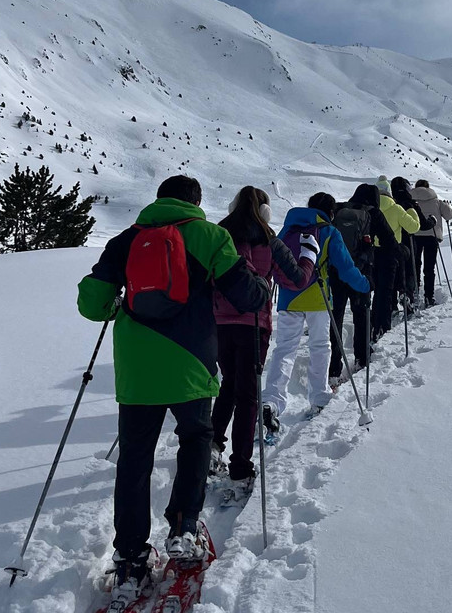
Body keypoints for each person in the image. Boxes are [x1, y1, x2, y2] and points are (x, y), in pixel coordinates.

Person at [77, 175, 270, 603]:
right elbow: (245, 294)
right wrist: (260, 287)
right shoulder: (210, 236)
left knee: (135, 458)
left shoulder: (127, 239)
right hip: (191, 363)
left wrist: (116, 303)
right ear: (196, 202)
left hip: (137, 368)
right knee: (196, 438)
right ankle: (184, 527)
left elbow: (92, 304)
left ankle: (129, 555)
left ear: (159, 199)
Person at [211, 186, 318, 499]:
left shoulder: (220, 236)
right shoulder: (268, 239)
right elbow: (296, 279)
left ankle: (213, 447)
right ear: (266, 212)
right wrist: (309, 255)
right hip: (255, 325)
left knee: (228, 385)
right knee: (247, 395)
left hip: (218, 324)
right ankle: (240, 467)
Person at [261, 192, 369, 429]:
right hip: (318, 298)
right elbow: (345, 268)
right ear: (329, 212)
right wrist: (364, 284)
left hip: (289, 299)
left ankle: (271, 400)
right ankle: (319, 397)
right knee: (320, 346)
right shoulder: (329, 232)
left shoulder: (288, 229)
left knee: (285, 349)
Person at [328, 183, 397, 373]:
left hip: (336, 271)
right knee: (361, 315)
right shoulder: (373, 213)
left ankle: (333, 366)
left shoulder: (339, 209)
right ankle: (361, 357)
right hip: (361, 272)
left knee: (336, 317)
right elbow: (389, 241)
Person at [372, 176, 419, 339]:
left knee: (378, 290)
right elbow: (413, 227)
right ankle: (384, 326)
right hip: (391, 253)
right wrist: (412, 212)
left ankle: (374, 324)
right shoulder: (396, 209)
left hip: (373, 253)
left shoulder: (371, 209)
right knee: (387, 289)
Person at [409, 178, 452, 307]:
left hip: (415, 235)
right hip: (432, 235)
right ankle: (429, 296)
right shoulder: (436, 201)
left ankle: (415, 292)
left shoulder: (411, 201)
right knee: (429, 268)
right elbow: (449, 215)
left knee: (415, 265)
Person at [389, 176, 422, 312]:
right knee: (410, 270)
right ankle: (408, 295)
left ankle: (392, 303)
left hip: (392, 242)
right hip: (408, 241)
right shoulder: (410, 204)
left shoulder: (392, 203)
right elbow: (421, 224)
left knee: (394, 271)